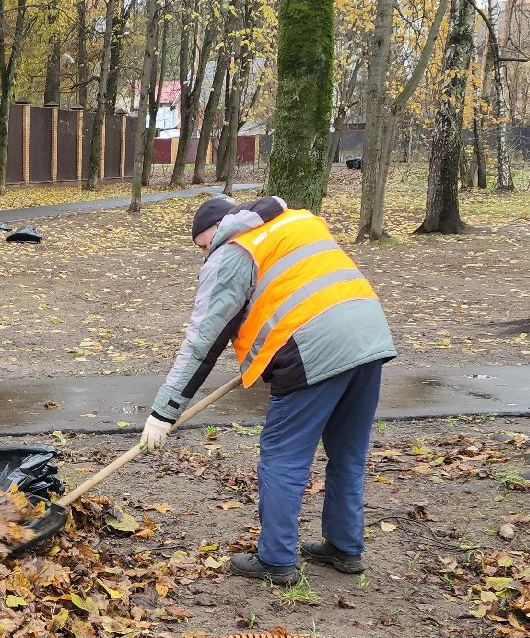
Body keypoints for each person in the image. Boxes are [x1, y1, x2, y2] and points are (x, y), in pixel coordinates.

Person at [139, 195, 395, 586]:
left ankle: (276, 559)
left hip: (313, 347)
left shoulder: (234, 250)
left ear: (218, 229)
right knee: (348, 453)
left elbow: (202, 342)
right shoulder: (296, 222)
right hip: (369, 336)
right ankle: (345, 547)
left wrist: (163, 413)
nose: (206, 254)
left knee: (282, 457)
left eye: (204, 246)